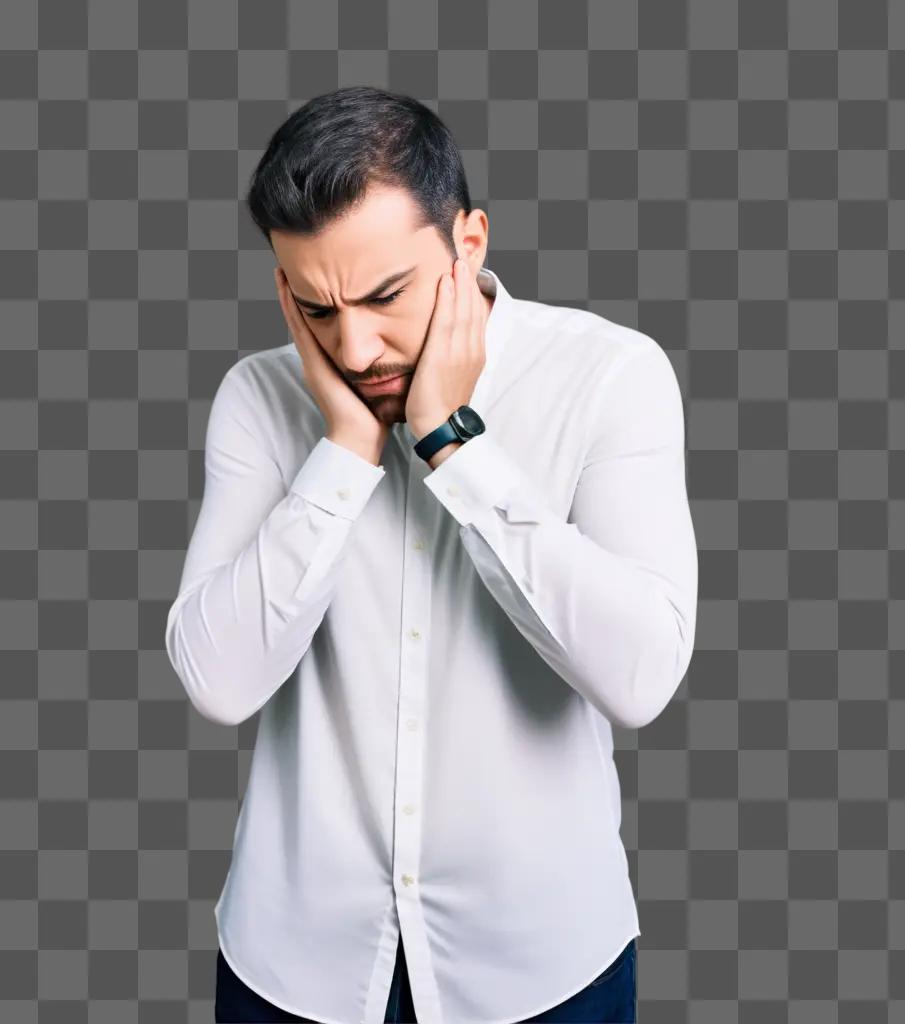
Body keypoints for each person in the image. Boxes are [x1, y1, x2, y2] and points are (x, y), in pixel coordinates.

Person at [164, 85, 698, 1023]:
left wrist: (454, 443)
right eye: (316, 307)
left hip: (543, 968)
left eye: (385, 296)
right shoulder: (258, 399)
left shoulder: (612, 376)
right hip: (296, 967)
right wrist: (341, 453)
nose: (356, 345)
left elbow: (643, 676)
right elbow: (216, 681)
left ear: (469, 244)